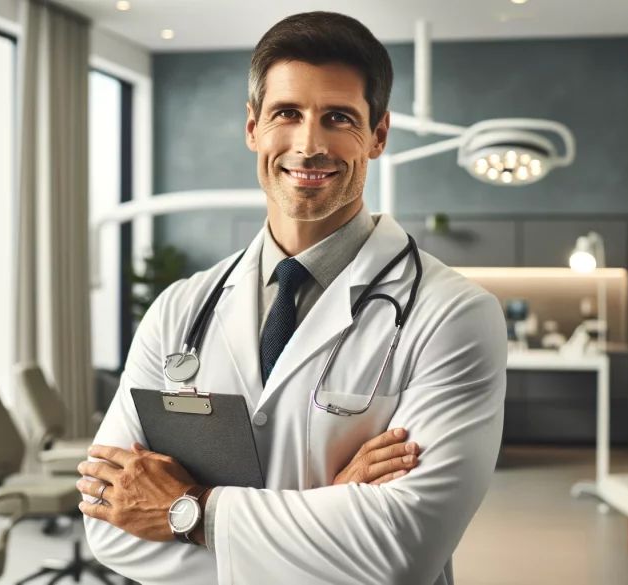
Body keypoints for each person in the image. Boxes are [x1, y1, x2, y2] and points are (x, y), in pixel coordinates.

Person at [77, 11, 507, 585]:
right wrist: (329, 511)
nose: (308, 145)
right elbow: (110, 522)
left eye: (338, 118)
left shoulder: (452, 315)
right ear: (253, 127)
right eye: (287, 114)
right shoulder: (180, 310)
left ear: (377, 135)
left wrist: (186, 511)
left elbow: (400, 549)